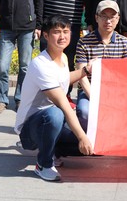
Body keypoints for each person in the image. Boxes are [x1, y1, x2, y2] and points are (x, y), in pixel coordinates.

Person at [15, 15, 94, 182]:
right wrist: (81, 137)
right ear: (46, 35)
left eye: (66, 31)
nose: (62, 36)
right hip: (31, 130)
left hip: (53, 124)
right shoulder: (40, 64)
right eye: (57, 32)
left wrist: (85, 71)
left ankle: (53, 150)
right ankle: (43, 164)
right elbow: (63, 104)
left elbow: (64, 79)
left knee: (95, 142)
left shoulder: (63, 57)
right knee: (55, 114)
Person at [75, 0, 127, 130]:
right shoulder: (84, 42)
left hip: (116, 91)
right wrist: (96, 98)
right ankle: (87, 139)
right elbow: (81, 76)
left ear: (118, 19)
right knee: (85, 112)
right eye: (104, 16)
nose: (108, 21)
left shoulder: (125, 43)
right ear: (96, 18)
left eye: (112, 17)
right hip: (89, 91)